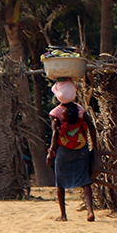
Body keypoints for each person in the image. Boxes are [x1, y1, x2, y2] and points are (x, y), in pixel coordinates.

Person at [46, 80, 98, 222]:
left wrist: (51, 152)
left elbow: (56, 134)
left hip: (64, 151)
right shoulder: (80, 109)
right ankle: (90, 211)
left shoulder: (55, 113)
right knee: (85, 181)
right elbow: (91, 127)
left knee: (60, 183)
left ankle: (63, 215)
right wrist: (95, 145)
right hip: (82, 150)